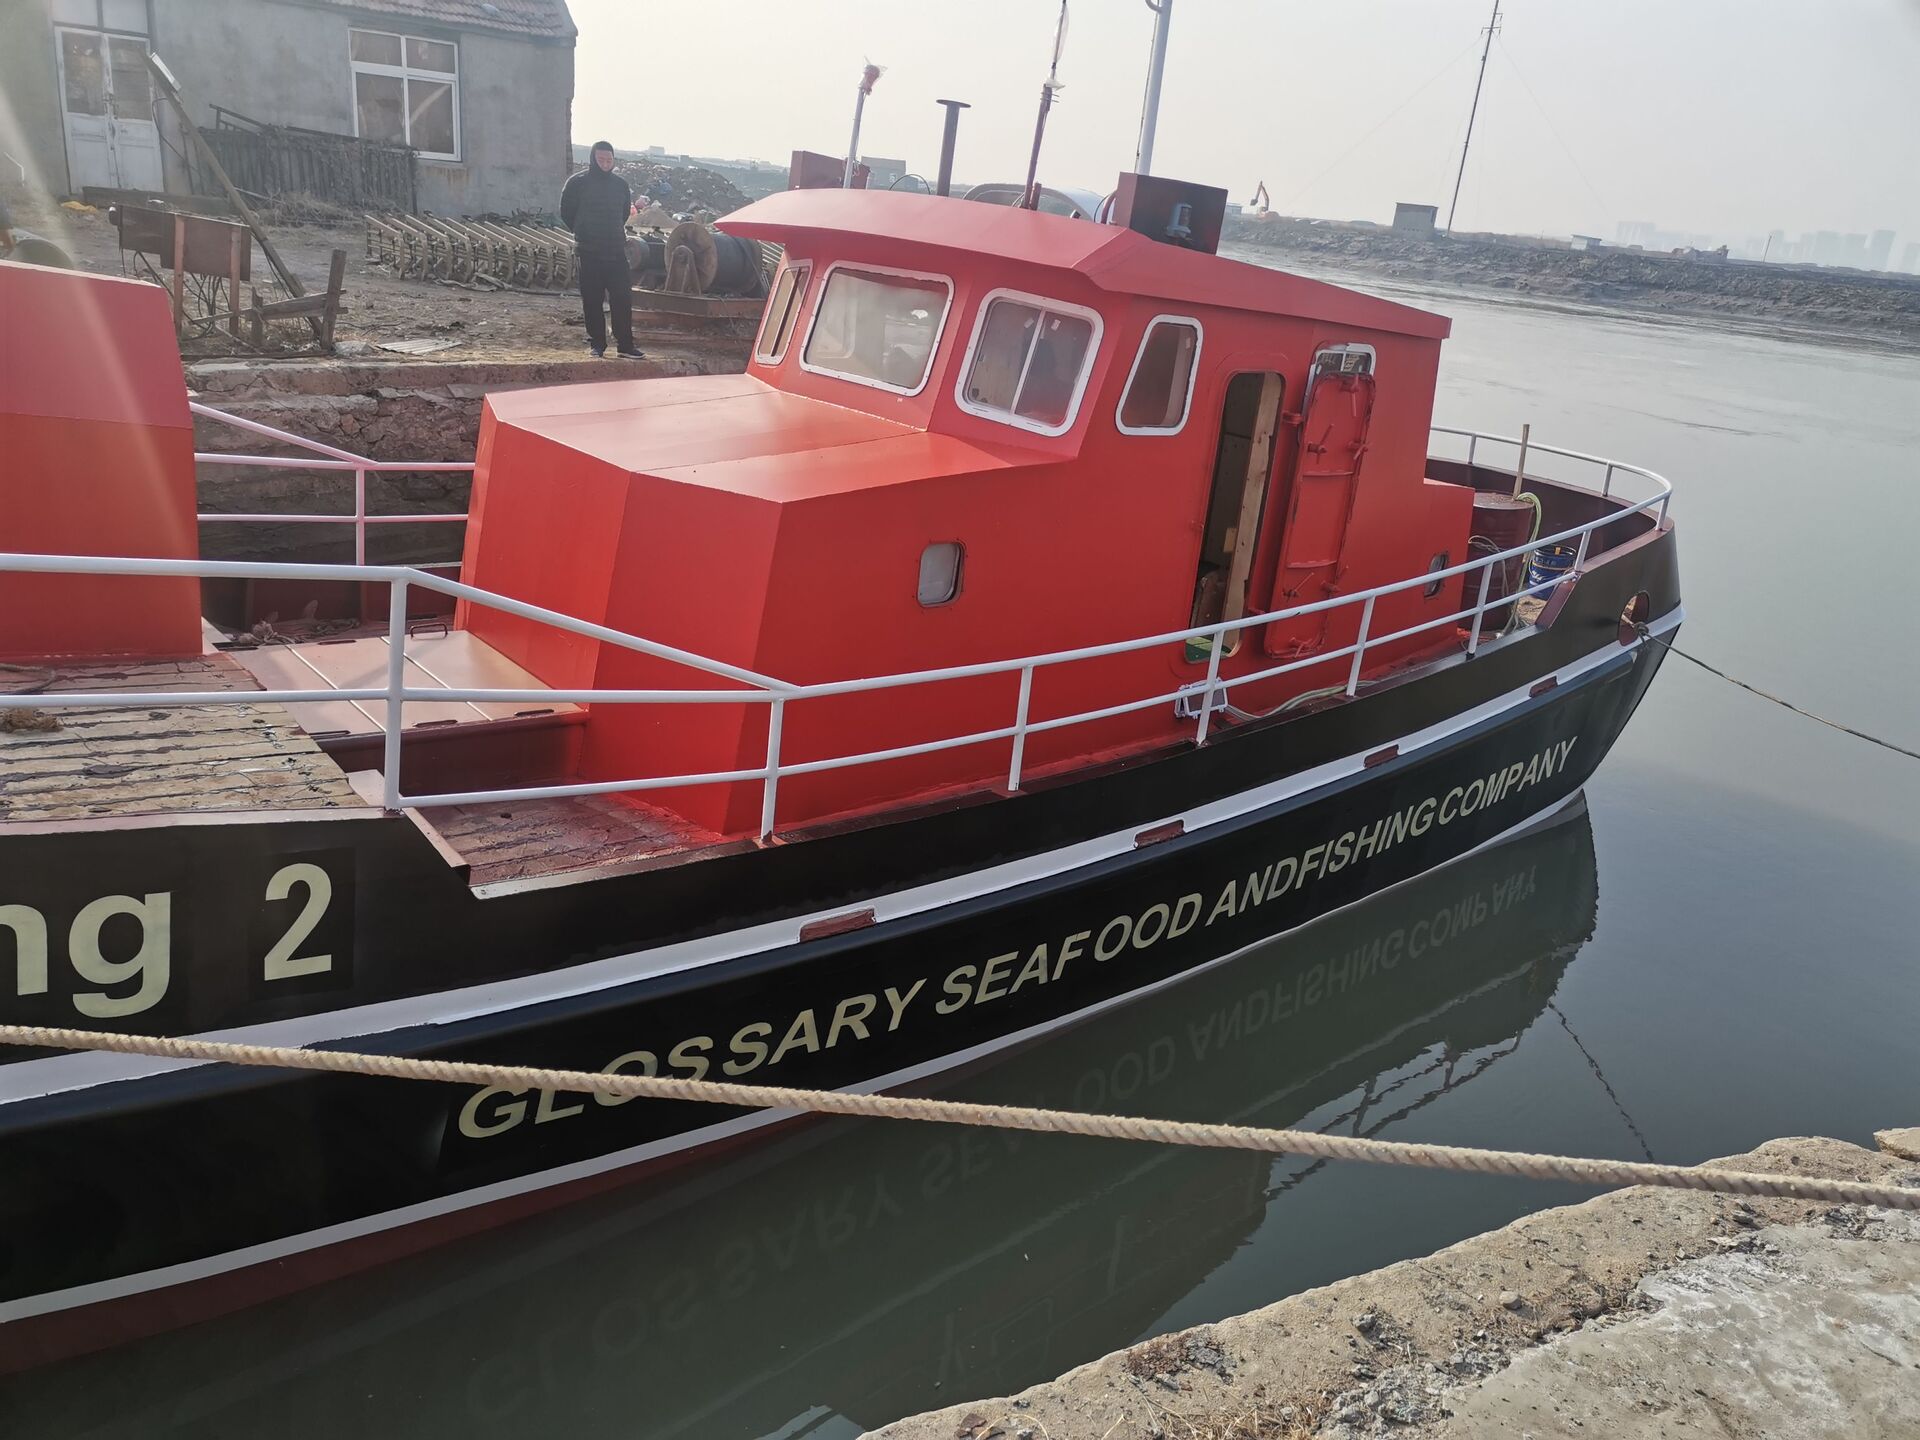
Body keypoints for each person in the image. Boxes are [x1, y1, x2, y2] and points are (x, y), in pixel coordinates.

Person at [560, 141, 643, 359]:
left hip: (616, 250)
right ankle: (597, 343)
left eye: (609, 160)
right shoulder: (577, 183)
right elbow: (567, 212)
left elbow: (624, 213)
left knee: (622, 298)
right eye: (601, 160)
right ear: (593, 159)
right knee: (592, 299)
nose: (605, 164)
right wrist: (583, 231)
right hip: (589, 251)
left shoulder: (620, 185)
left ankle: (625, 345)